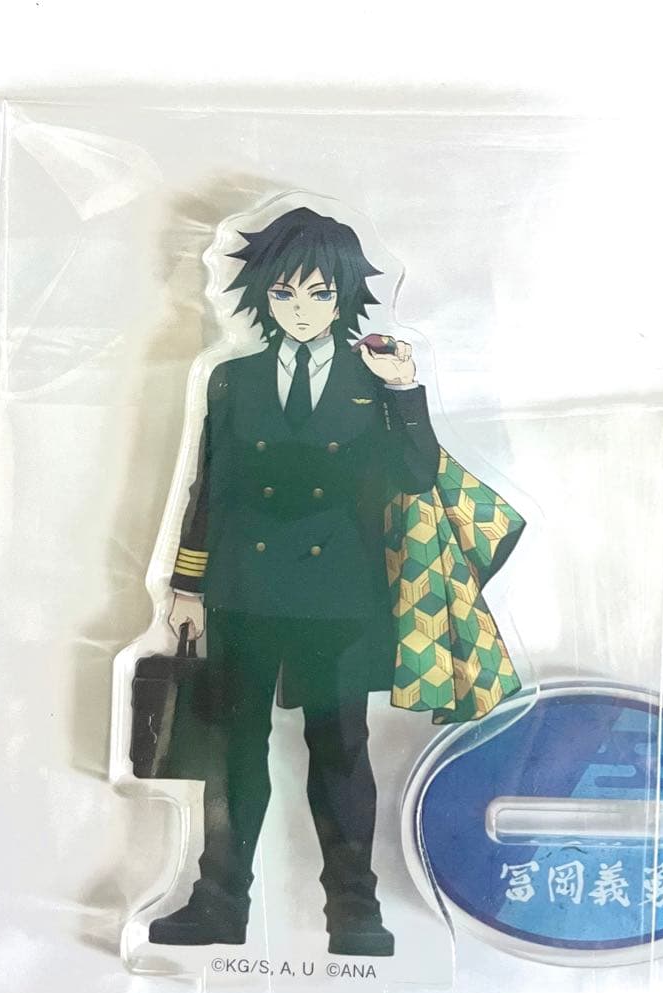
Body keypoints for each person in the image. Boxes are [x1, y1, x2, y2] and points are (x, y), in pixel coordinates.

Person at [148, 207, 440, 955]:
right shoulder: (232, 378)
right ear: (262, 296)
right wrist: (186, 587)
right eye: (284, 293)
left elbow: (416, 477)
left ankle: (355, 912)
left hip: (338, 597)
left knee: (339, 752)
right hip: (243, 590)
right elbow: (208, 487)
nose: (301, 310)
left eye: (318, 293)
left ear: (343, 295)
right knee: (231, 751)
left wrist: (405, 390)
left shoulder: (371, 378)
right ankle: (218, 904)